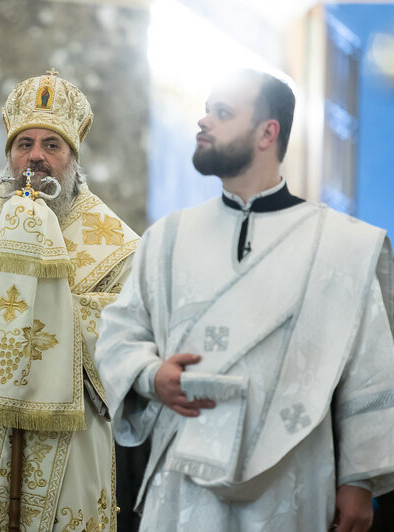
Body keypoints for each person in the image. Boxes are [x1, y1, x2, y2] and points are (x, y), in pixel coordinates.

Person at [95, 69, 394, 532]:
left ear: (267, 133)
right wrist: (152, 375)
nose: (203, 121)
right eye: (206, 109)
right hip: (184, 474)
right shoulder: (168, 237)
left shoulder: (341, 245)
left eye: (223, 113)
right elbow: (119, 333)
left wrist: (358, 482)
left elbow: (369, 367)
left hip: (291, 478)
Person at [0, 70, 141, 531]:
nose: (35, 157)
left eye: (51, 146)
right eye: (24, 145)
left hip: (71, 430)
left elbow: (131, 328)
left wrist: (47, 305)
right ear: (10, 156)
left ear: (73, 159)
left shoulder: (115, 243)